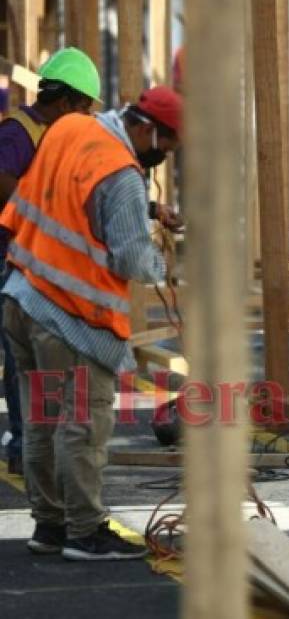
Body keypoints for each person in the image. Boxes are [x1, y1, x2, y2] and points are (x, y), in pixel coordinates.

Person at [0, 86, 182, 561]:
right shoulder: (123, 176)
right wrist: (163, 265)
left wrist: (145, 211)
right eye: (165, 145)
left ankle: (50, 525)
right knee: (82, 423)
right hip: (68, 317)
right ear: (146, 129)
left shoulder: (68, 128)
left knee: (40, 420)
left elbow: (68, 192)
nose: (163, 156)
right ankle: (84, 532)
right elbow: (132, 259)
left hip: (21, 296)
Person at [0, 47, 101, 476]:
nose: (85, 117)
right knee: (19, 357)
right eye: (81, 108)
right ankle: (25, 444)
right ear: (63, 101)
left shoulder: (62, 136)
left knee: (29, 362)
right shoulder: (18, 133)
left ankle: (29, 447)